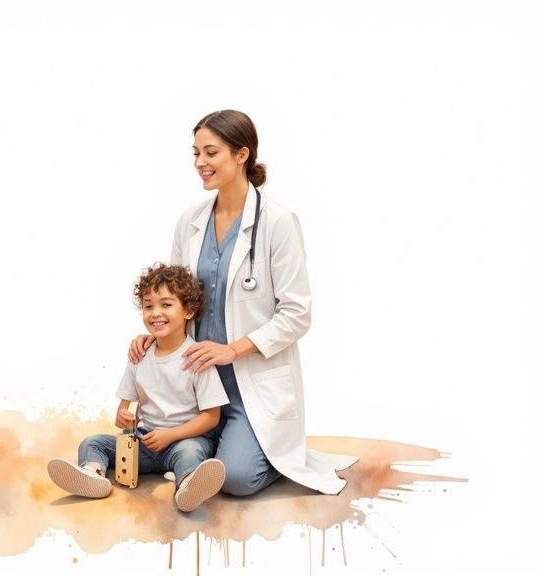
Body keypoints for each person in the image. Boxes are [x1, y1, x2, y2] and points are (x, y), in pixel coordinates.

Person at [129, 110, 356, 496]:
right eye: (196, 153)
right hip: (197, 379)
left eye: (211, 153)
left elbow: (297, 313)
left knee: (235, 479)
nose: (200, 163)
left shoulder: (278, 222)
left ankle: (269, 457)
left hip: (252, 382)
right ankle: (216, 449)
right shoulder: (190, 221)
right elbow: (174, 296)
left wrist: (234, 350)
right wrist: (155, 333)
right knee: (163, 454)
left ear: (241, 155)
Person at [48, 264, 230, 513]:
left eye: (166, 305)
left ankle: (187, 486)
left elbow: (212, 417)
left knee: (191, 453)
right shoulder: (139, 355)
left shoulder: (197, 358)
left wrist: (171, 435)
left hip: (183, 440)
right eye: (148, 306)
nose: (155, 313)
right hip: (143, 443)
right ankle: (93, 474)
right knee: (93, 443)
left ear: (188, 310)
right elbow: (124, 408)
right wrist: (123, 417)